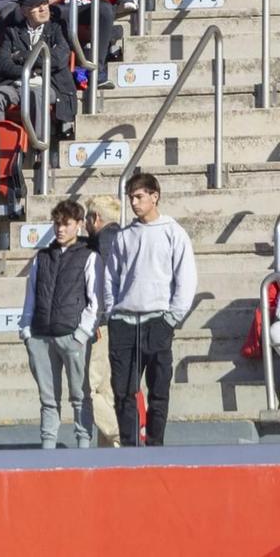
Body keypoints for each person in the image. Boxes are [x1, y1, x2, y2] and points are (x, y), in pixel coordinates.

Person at [104, 171, 197, 446]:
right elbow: (111, 277)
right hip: (124, 321)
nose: (134, 202)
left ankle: (155, 446)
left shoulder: (173, 232)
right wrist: (112, 312)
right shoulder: (124, 236)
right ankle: (130, 447)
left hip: (158, 320)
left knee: (158, 390)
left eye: (139, 196)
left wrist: (172, 318)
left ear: (154, 197)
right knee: (123, 391)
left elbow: (186, 277)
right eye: (131, 197)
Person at [18, 198, 101, 451]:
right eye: (57, 224)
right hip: (41, 336)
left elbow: (95, 300)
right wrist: (27, 330)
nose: (60, 229)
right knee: (48, 398)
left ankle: (83, 444)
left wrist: (82, 334)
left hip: (72, 336)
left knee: (80, 395)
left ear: (78, 225)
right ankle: (48, 446)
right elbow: (30, 295)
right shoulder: (41, 257)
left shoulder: (89, 256)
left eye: (66, 224)